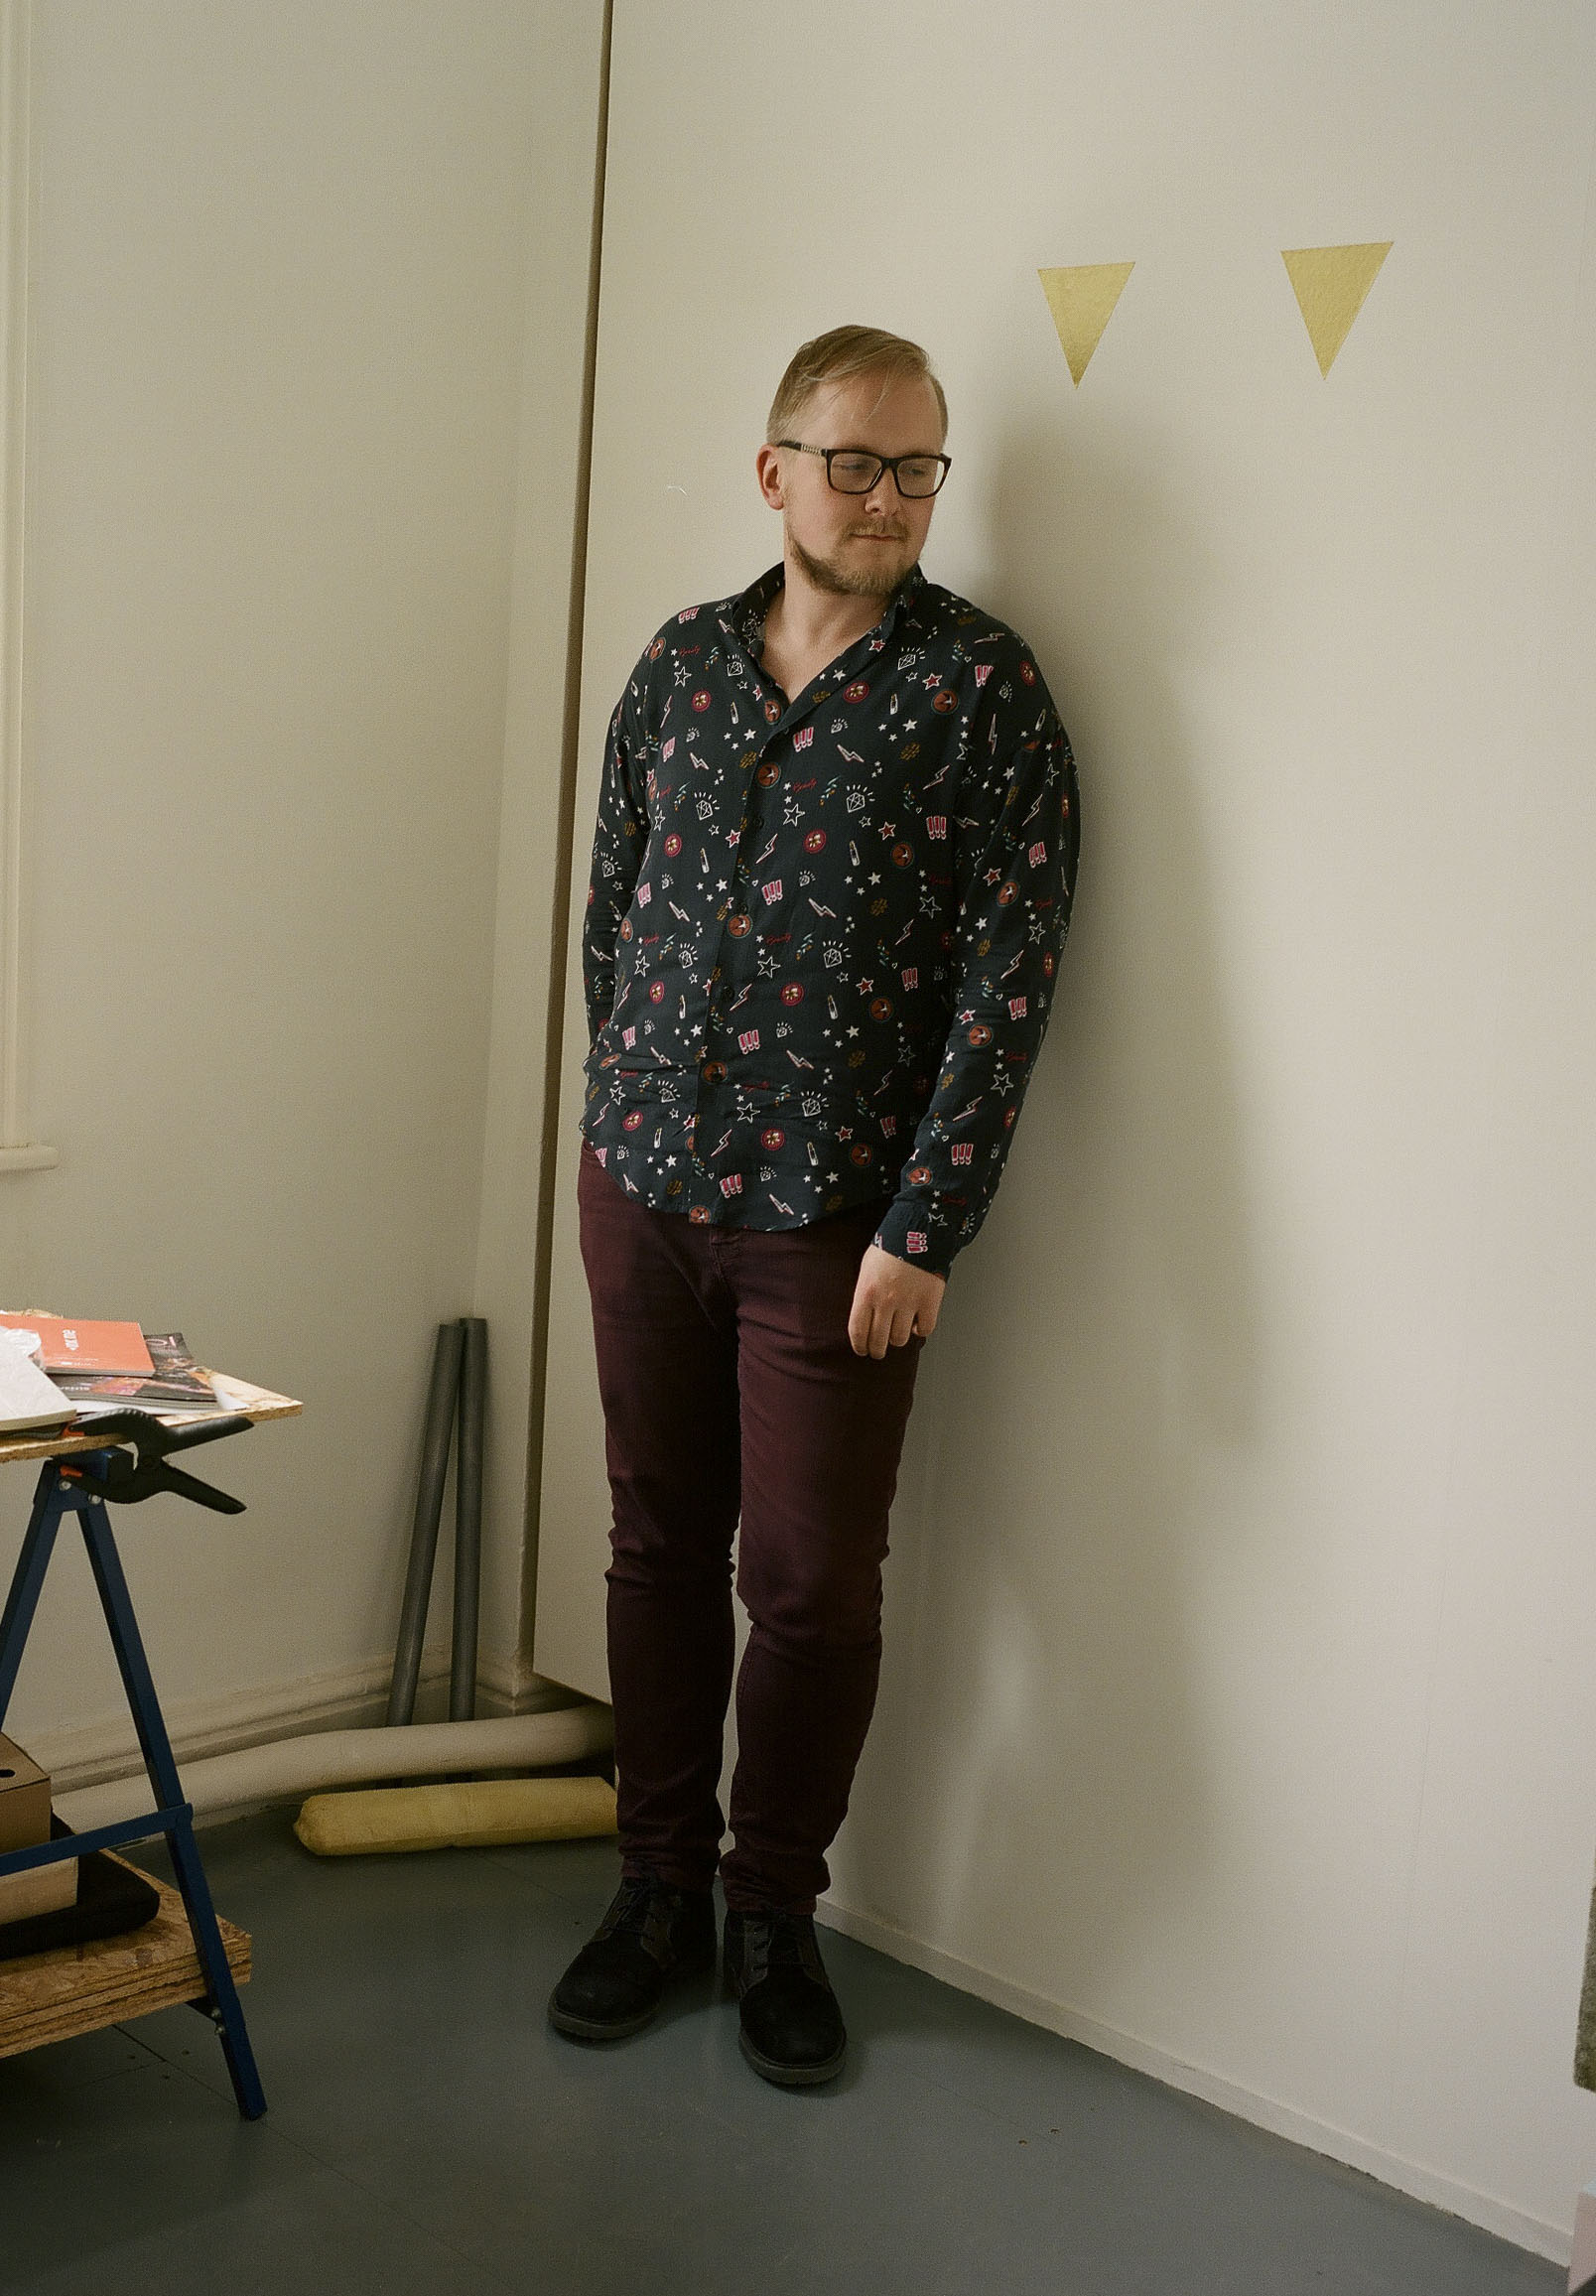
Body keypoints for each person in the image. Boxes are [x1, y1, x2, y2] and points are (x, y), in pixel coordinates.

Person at [549, 326, 1079, 2087]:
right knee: (652, 1545)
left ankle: (770, 1909)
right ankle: (652, 1889)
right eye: (854, 463)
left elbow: (1007, 982)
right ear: (773, 470)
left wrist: (925, 1222)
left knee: (809, 1587)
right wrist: (623, 1110)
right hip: (642, 1186)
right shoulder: (677, 667)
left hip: (832, 1226)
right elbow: (613, 911)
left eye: (917, 468)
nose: (888, 498)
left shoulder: (981, 692)